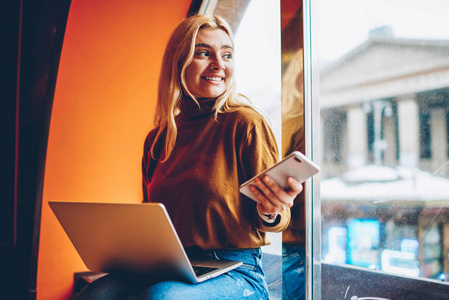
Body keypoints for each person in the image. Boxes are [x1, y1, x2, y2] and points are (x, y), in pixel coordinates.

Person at [74, 14, 303, 300]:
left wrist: (271, 210)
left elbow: (276, 219)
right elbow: (153, 216)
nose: (219, 64)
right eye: (204, 53)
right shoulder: (157, 139)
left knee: (162, 297)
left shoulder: (246, 123)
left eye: (227, 55)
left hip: (237, 270)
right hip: (172, 264)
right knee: (96, 293)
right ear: (179, 61)